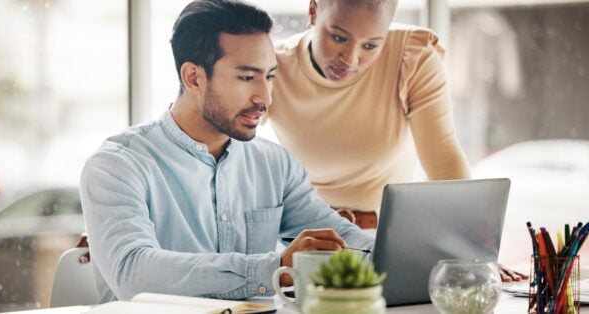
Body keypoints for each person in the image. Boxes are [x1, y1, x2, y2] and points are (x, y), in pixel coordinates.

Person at [79, 0, 373, 303]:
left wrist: (397, 256)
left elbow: (341, 238)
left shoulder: (276, 164)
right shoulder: (116, 165)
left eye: (269, 76)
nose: (265, 97)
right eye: (247, 77)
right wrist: (276, 267)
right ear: (193, 77)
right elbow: (134, 273)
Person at [268, 0, 526, 281]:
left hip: (388, 241)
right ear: (313, 11)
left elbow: (444, 160)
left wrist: (473, 251)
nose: (350, 58)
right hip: (310, 243)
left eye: (371, 45)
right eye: (339, 37)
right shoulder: (274, 65)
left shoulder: (411, 56)